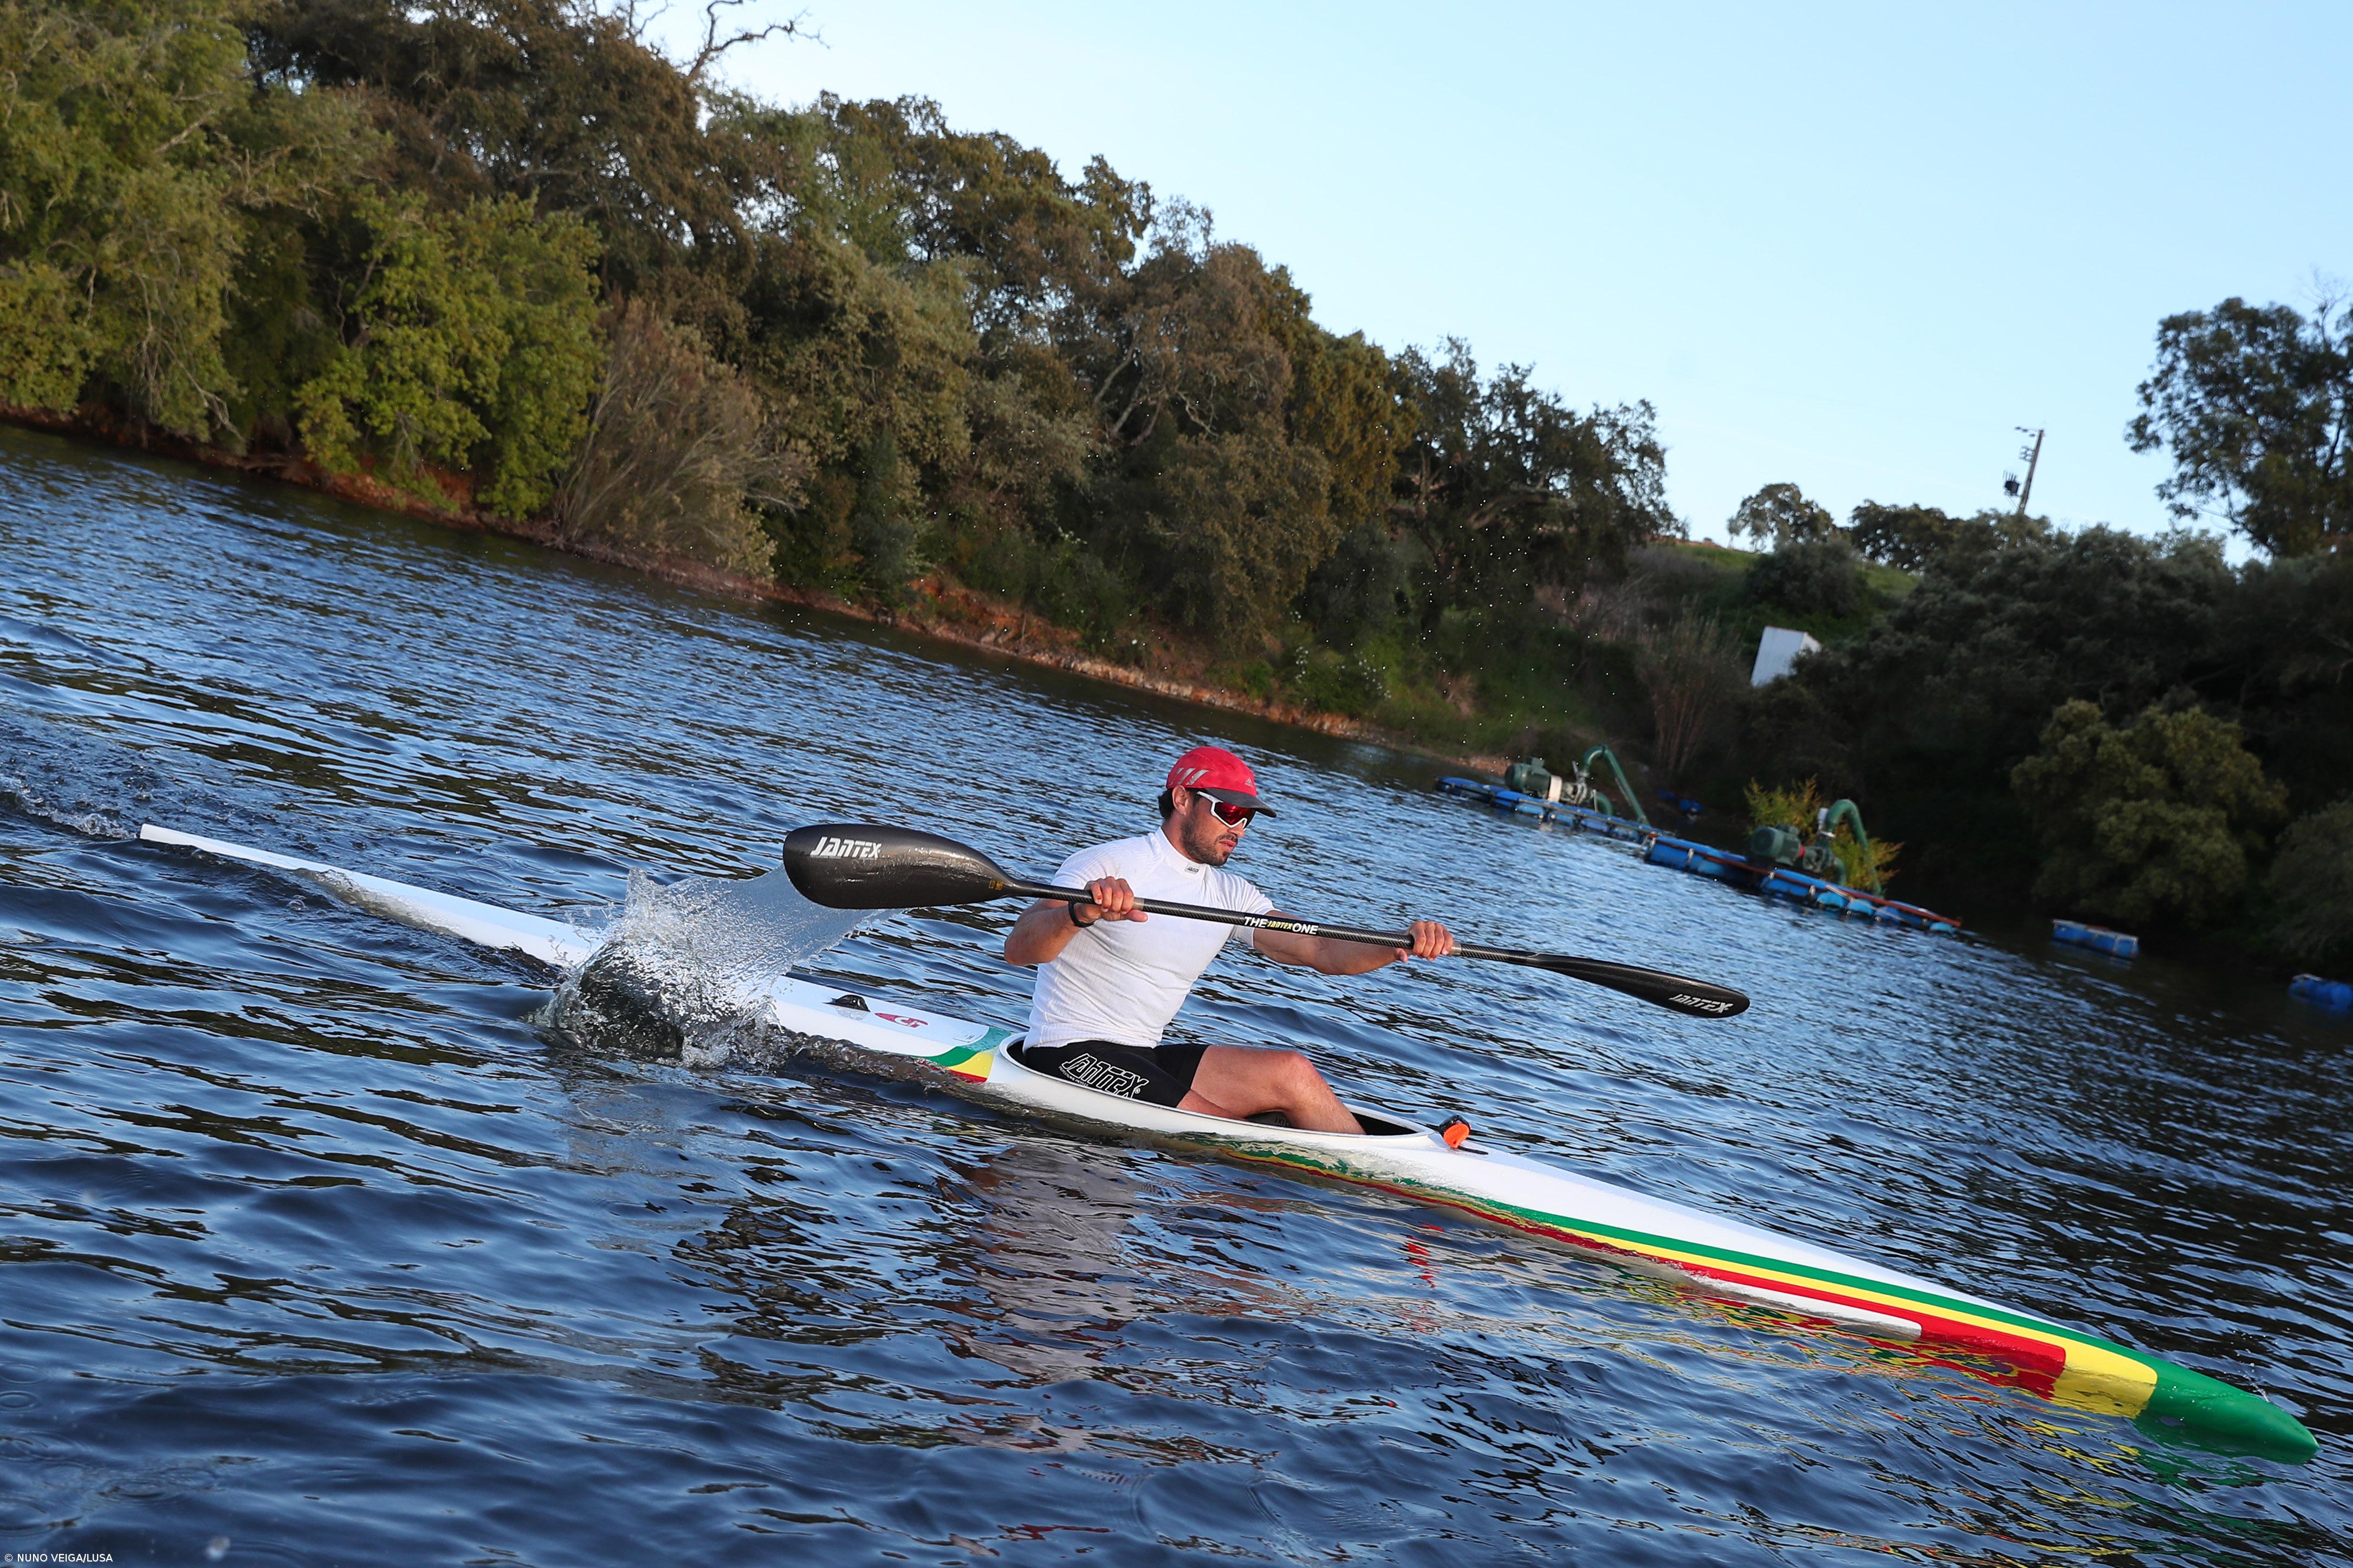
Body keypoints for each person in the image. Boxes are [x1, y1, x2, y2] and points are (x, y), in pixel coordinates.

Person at [1002, 745, 1455, 1134]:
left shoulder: (1230, 894)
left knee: (1292, 1074)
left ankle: (1375, 1174)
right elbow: (1020, 948)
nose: (1238, 829)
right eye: (1229, 811)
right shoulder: (1105, 863)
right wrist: (1081, 911)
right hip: (1065, 1051)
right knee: (1215, 1130)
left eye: (1248, 818)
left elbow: (1320, 948)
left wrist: (1399, 944)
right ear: (1182, 799)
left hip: (1145, 1054)